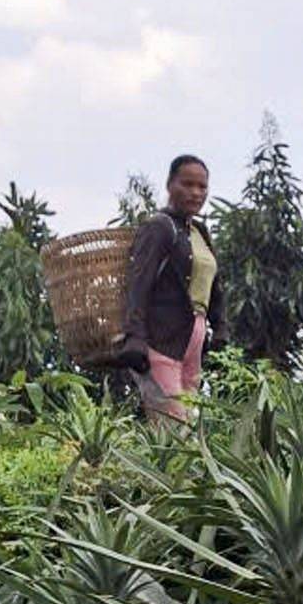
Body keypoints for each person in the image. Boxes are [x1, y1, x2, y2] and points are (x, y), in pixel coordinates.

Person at [117, 154, 225, 425]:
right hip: (161, 343)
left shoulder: (199, 232)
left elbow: (213, 285)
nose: (195, 193)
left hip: (191, 344)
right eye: (187, 184)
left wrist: (221, 327)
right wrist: (135, 338)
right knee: (174, 429)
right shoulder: (159, 228)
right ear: (169, 185)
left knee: (190, 424)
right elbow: (138, 284)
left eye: (202, 187)